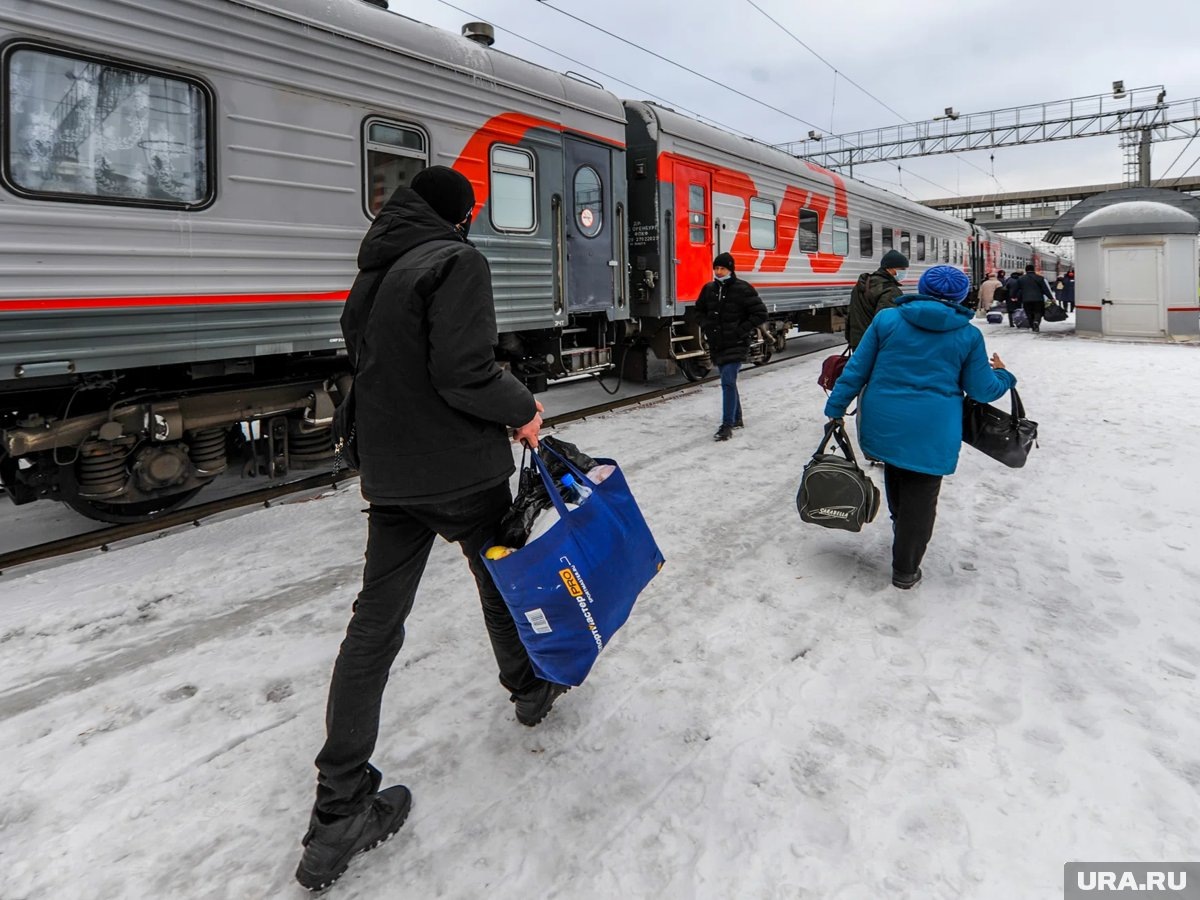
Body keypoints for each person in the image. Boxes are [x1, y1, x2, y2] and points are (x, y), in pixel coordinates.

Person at [295, 166, 559, 892]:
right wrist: (523, 411)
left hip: (390, 474)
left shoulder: (373, 271)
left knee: (373, 625)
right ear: (459, 216)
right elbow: (465, 371)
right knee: (500, 575)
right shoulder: (456, 260)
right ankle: (529, 688)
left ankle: (338, 806)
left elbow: (374, 366)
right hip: (459, 470)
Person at [823, 265, 1016, 590]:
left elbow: (856, 369)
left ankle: (902, 531)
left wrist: (836, 408)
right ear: (959, 296)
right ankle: (906, 568)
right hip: (933, 429)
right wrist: (1005, 376)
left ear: (923, 288)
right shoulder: (968, 335)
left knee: (897, 473)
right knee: (922, 494)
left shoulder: (887, 321)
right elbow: (983, 390)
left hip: (884, 420)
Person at [695, 251, 767, 441]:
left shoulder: (743, 289)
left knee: (727, 381)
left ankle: (727, 426)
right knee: (729, 381)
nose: (718, 272)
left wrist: (740, 330)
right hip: (718, 343)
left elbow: (761, 314)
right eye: (716, 268)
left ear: (730, 269)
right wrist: (706, 325)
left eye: (722, 268)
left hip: (736, 343)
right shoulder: (709, 289)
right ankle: (737, 418)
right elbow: (698, 311)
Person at [846, 249, 909, 349]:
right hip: (874, 345)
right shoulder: (889, 290)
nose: (904, 272)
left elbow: (851, 314)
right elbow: (886, 323)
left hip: (857, 342)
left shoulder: (862, 284)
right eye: (902, 268)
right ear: (890, 268)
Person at [1017, 263, 1055, 333]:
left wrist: (1015, 297)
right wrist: (1051, 298)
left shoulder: (1021, 279)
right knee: (1038, 312)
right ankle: (1036, 321)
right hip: (1038, 299)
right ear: (1033, 270)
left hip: (1026, 299)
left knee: (1029, 313)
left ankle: (1033, 326)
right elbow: (1045, 289)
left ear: (1026, 270)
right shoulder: (1040, 278)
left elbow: (1018, 290)